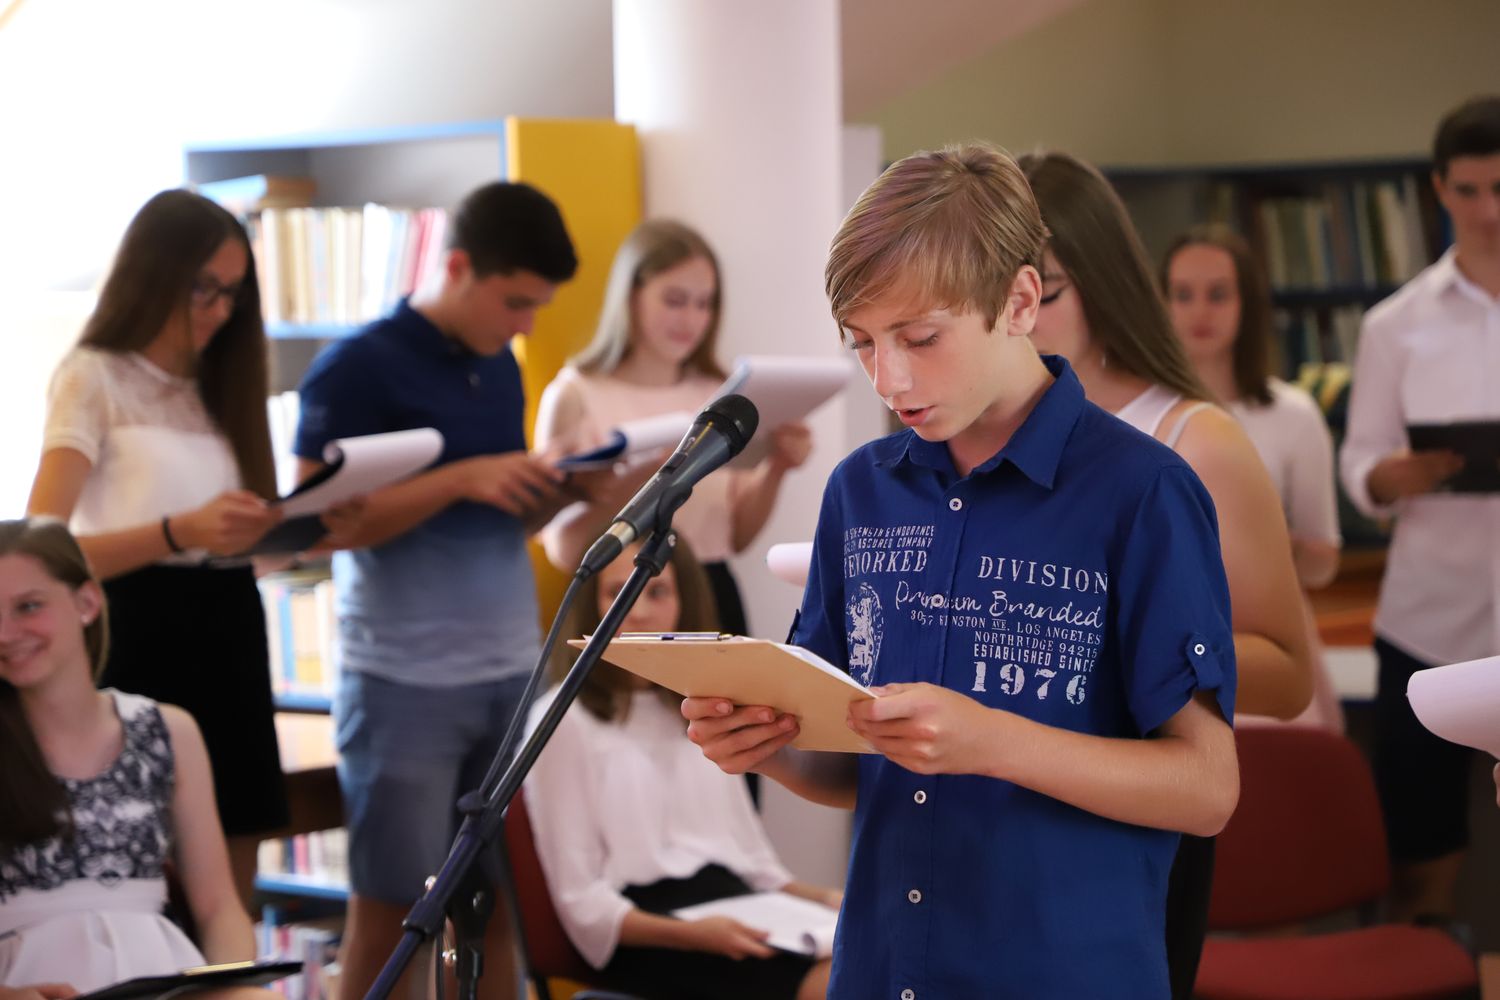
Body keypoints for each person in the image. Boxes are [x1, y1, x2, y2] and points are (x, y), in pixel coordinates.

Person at [682, 143, 1240, 999]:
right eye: (863, 343)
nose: (889, 378)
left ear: (1020, 300)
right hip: (883, 971)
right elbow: (851, 765)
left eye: (920, 338)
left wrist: (993, 742)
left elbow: (1206, 788)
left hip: (1063, 976)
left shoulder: (1143, 491)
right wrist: (769, 747)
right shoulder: (860, 491)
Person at [1020, 149, 1314, 1000]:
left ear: (1104, 281)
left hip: (1138, 814)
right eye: (992, 295)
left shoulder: (1196, 441)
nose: (1019, 320)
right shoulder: (976, 435)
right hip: (1006, 808)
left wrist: (1120, 650)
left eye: (1045, 292)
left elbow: (1288, 673)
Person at [292, 180, 585, 1000]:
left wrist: (568, 491)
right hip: (403, 683)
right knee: (394, 914)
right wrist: (461, 477)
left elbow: (499, 519)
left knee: (497, 906)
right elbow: (313, 526)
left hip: (508, 672)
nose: (526, 326)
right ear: (456, 267)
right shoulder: (354, 368)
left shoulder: (498, 366)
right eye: (515, 303)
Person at [26, 189, 288, 906]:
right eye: (203, 287)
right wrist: (178, 531)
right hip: (137, 626)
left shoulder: (225, 382)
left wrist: (301, 526)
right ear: (153, 275)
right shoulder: (94, 375)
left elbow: (241, 537)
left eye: (233, 292)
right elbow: (43, 545)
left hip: (229, 621)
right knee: (148, 858)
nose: (219, 310)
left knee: (236, 842)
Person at [524, 538, 837, 1000]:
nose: (639, 611)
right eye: (618, 592)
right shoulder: (562, 719)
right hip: (649, 930)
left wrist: (831, 900)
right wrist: (695, 936)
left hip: (737, 905)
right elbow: (582, 901)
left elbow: (756, 866)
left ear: (684, 600)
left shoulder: (705, 710)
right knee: (838, 983)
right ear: (593, 605)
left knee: (873, 953)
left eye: (658, 592)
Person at [1339, 94, 1500, 924]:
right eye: (1469, 191)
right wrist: (1394, 477)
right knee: (1420, 855)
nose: (1488, 211)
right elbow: (1359, 464)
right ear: (1439, 190)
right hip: (1428, 624)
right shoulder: (1393, 325)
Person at [0, 518, 258, 993]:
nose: (5, 633)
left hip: (163, 976)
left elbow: (219, 907)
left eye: (28, 606)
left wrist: (234, 986)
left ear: (86, 602)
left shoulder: (168, 730)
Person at [533, 219, 812, 635]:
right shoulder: (576, 394)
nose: (691, 319)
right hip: (621, 596)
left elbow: (735, 537)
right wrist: (656, 473)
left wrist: (777, 468)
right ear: (631, 295)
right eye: (675, 300)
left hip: (711, 591)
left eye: (704, 304)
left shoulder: (720, 393)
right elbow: (564, 549)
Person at [1163, 223, 1345, 731]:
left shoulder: (1294, 414)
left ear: (1247, 303)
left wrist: (1267, 545)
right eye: (1183, 295)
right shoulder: (1135, 414)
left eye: (1218, 294)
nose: (1200, 311)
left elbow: (1323, 563)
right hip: (1170, 641)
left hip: (1268, 641)